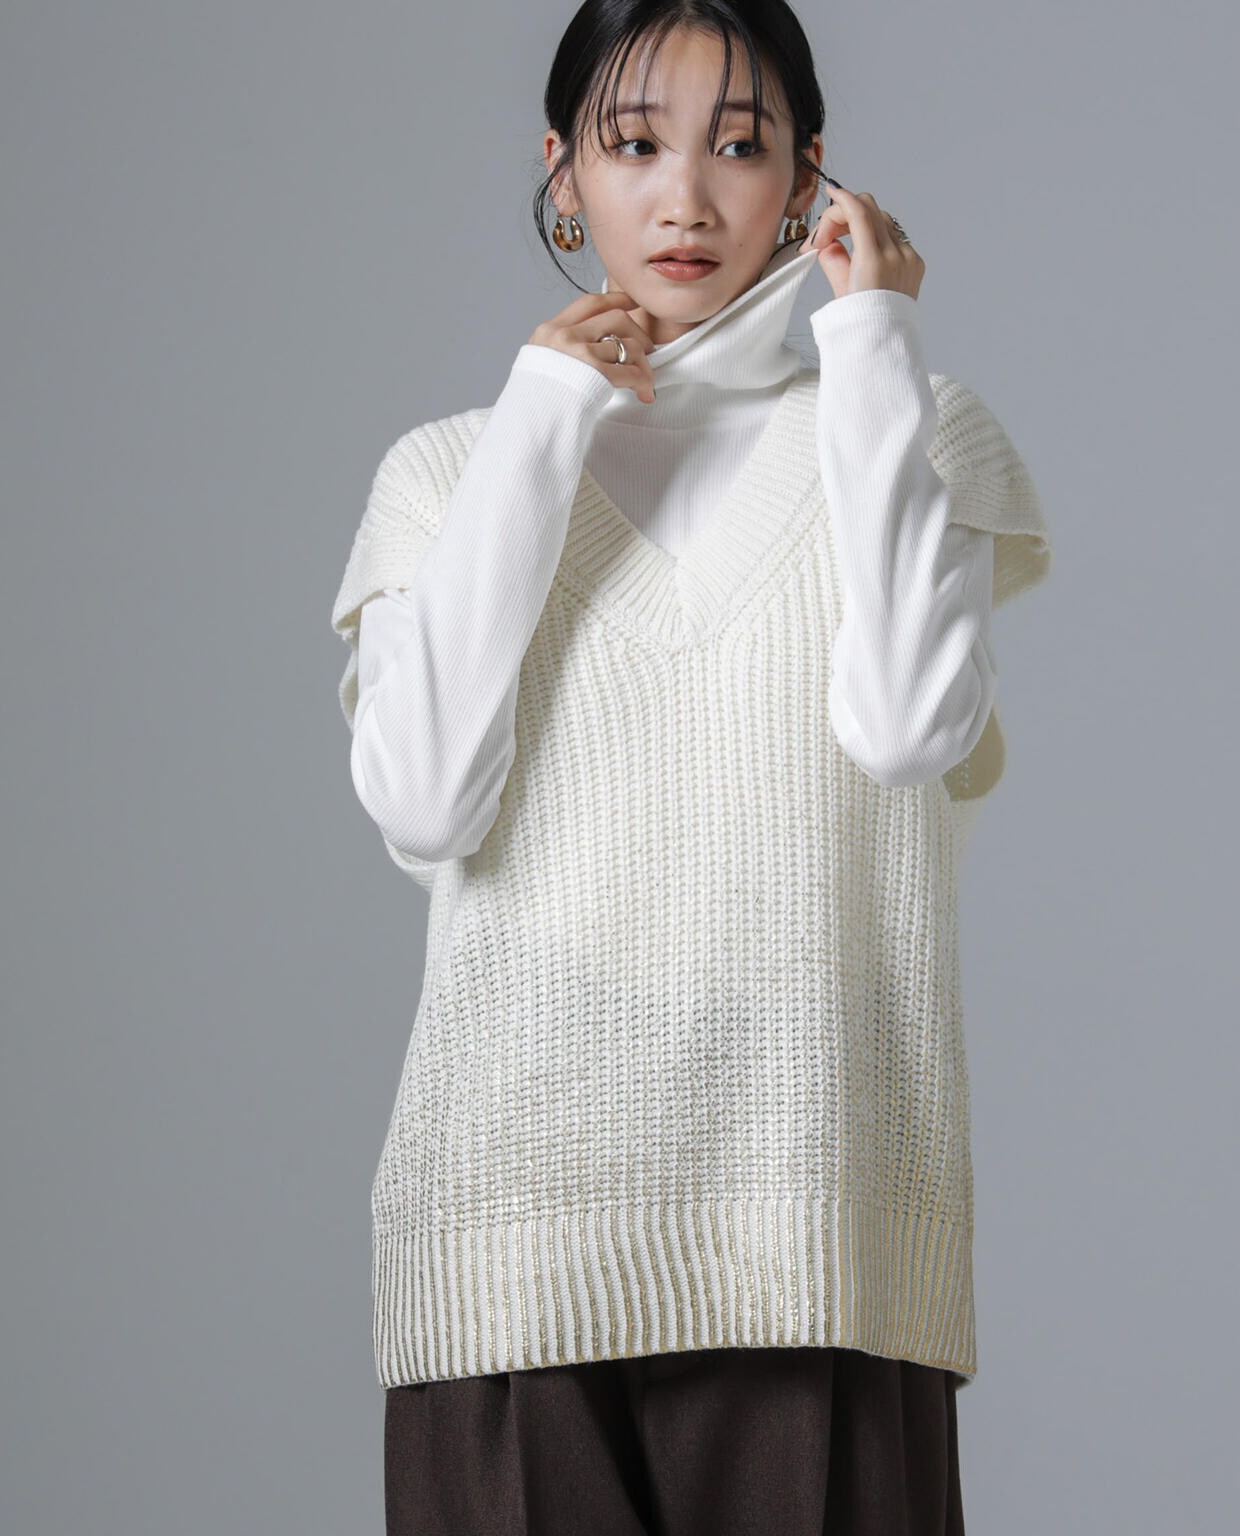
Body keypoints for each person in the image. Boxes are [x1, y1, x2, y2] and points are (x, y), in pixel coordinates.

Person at [329, 4, 1052, 1532]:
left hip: (818, 1238)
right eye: (635, 143)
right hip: (509, 1245)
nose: (686, 196)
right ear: (562, 171)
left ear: (808, 178)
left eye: (738, 145)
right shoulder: (447, 473)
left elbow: (907, 728)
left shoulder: (909, 429)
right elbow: (426, 800)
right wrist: (542, 422)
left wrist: (875, 348)